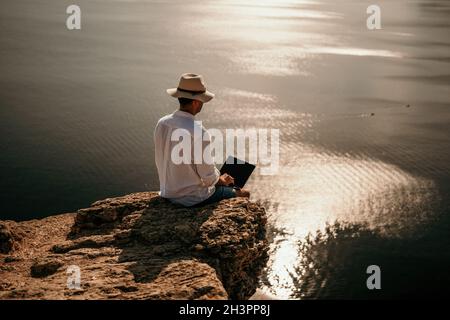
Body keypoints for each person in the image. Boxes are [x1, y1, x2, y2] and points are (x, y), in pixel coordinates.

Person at [154, 73, 250, 207]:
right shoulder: (199, 132)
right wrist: (220, 179)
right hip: (191, 199)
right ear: (195, 102)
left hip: (167, 192)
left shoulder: (162, 123)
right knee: (245, 194)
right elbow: (208, 178)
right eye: (202, 101)